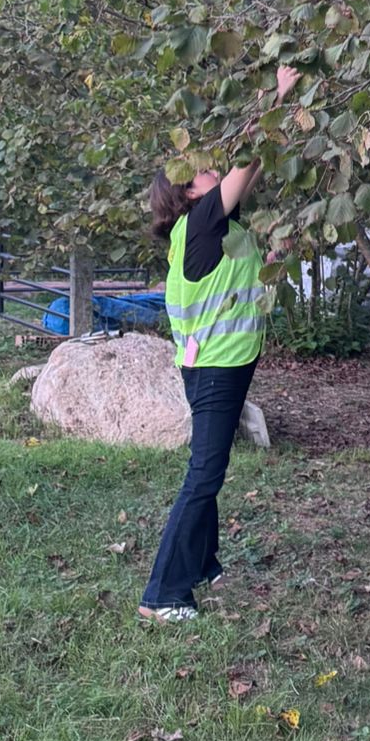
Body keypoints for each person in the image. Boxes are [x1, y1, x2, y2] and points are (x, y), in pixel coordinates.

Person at [138, 66, 297, 623]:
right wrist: (279, 96)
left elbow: (242, 286)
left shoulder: (220, 231)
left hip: (220, 363)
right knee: (205, 473)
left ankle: (202, 563)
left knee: (210, 463)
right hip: (215, 369)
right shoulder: (202, 222)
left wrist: (272, 264)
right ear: (188, 192)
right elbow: (247, 163)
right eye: (204, 173)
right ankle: (163, 594)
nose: (215, 174)